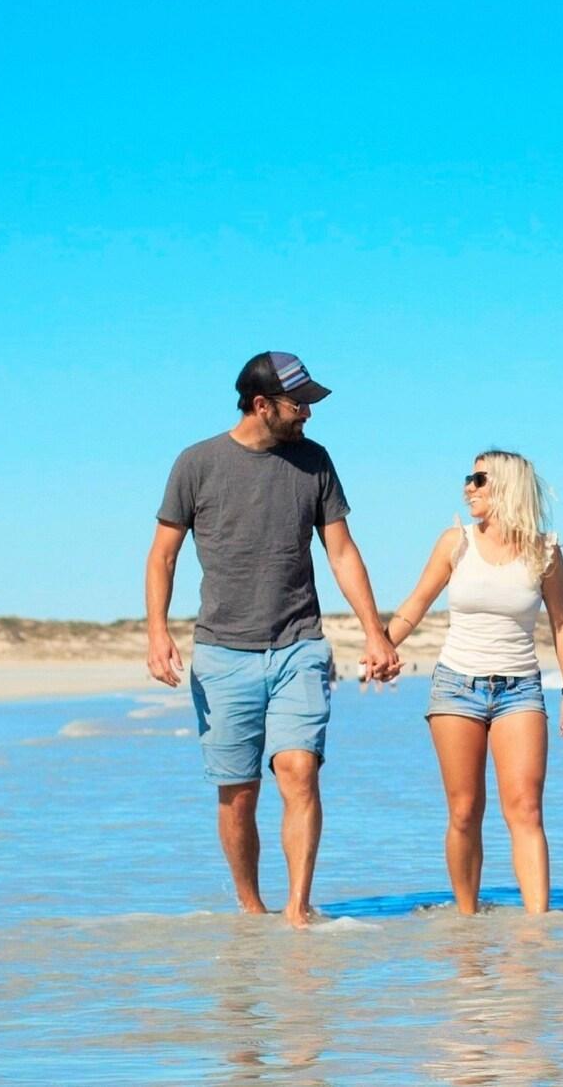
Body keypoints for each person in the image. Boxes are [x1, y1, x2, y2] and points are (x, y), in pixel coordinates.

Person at [145, 351, 399, 927]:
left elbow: (341, 551)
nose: (308, 413)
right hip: (222, 652)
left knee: (298, 770)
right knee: (237, 794)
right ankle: (252, 905)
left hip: (299, 644)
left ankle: (297, 908)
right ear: (263, 405)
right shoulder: (197, 463)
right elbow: (163, 555)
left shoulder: (315, 462)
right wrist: (157, 632)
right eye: (298, 403)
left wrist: (374, 632)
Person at [386, 450, 563, 914]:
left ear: (508, 486)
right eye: (467, 478)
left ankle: (538, 925)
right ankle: (467, 916)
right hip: (456, 688)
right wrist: (383, 645)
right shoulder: (456, 542)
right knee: (465, 811)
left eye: (479, 479)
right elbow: (415, 604)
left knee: (527, 810)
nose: (468, 487)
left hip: (520, 690)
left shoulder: (544, 550)